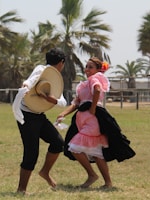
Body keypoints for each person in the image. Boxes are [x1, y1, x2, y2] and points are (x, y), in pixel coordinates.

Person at [57, 57, 135, 189]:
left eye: (90, 67)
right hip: (83, 120)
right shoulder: (84, 85)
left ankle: (92, 175)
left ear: (98, 69)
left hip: (92, 121)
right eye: (86, 66)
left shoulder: (94, 79)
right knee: (96, 153)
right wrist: (63, 113)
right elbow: (76, 103)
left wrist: (92, 108)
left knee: (75, 147)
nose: (87, 69)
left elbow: (97, 90)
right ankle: (108, 183)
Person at [12, 48, 67, 194]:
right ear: (61, 63)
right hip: (27, 115)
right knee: (31, 152)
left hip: (39, 115)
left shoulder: (55, 79)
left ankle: (45, 172)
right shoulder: (41, 70)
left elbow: (62, 102)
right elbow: (29, 82)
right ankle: (21, 190)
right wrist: (26, 86)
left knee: (58, 143)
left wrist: (50, 99)